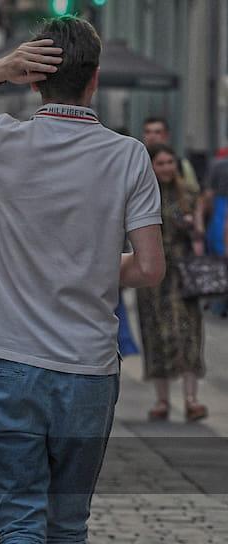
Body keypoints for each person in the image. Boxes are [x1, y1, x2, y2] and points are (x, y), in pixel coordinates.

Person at [0, 16, 165, 543]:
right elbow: (150, 268)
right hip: (86, 365)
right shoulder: (128, 155)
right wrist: (91, 266)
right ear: (95, 79)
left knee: (20, 518)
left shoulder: (0, 138)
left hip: (7, 356)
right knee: (67, 524)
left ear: (33, 81)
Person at [136, 144, 207, 422]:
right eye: (161, 163)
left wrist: (194, 224)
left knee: (189, 333)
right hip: (153, 274)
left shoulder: (188, 194)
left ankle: (191, 399)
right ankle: (161, 400)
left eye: (170, 162)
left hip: (183, 273)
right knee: (156, 332)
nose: (166, 168)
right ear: (151, 166)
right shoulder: (142, 193)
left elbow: (199, 234)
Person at [142, 117, 200, 192]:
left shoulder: (182, 164)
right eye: (148, 132)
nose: (152, 136)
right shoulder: (138, 163)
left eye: (157, 132)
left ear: (166, 135)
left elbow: (193, 191)